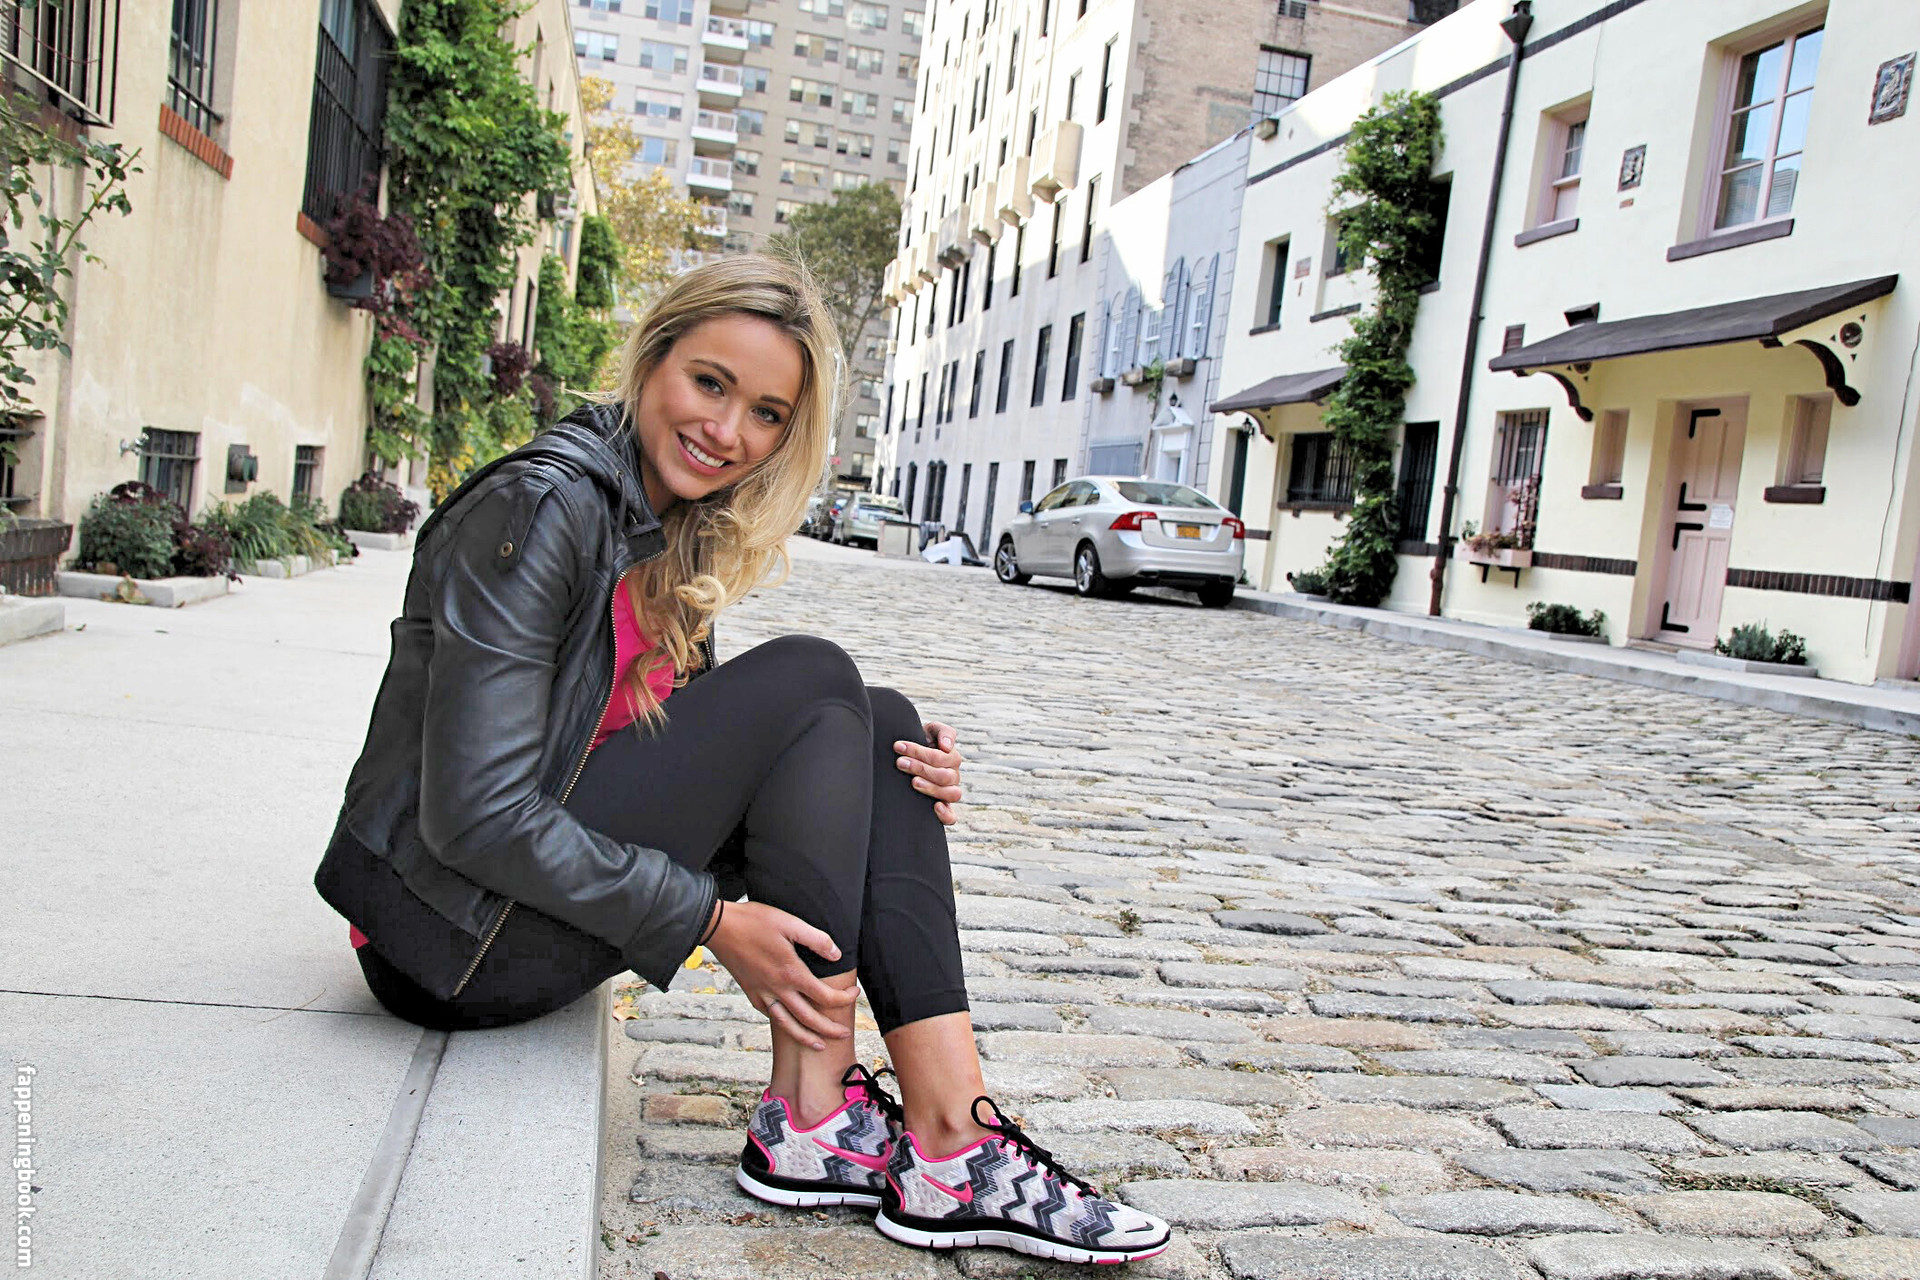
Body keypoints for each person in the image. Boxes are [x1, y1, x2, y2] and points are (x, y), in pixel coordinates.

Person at [314, 256, 1170, 1265]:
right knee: (815, 677)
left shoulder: (664, 523)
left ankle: (945, 1133)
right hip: (443, 939)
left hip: (514, 905)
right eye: (709, 383)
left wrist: (878, 790)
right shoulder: (540, 508)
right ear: (653, 358)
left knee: (882, 725)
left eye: (766, 413)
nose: (727, 431)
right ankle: (835, 1115)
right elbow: (477, 814)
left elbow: (702, 783)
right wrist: (709, 919)